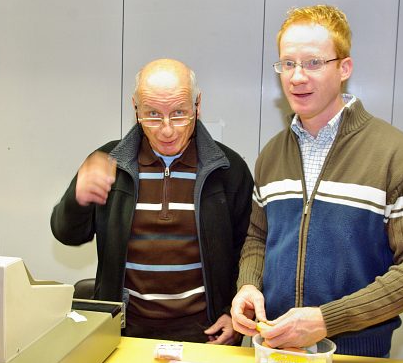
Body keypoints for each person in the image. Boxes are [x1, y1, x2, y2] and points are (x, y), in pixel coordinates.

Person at [230, 5, 403, 357]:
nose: (297, 77)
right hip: (272, 350)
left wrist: (326, 320)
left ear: (344, 68)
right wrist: (248, 286)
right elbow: (258, 237)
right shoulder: (271, 154)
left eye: (313, 63)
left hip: (355, 359)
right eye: (288, 63)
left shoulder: (396, 154)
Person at [51, 58, 253, 345]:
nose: (166, 130)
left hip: (205, 335)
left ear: (198, 105)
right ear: (135, 109)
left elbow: (249, 250)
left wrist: (231, 311)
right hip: (123, 334)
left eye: (179, 113)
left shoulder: (227, 169)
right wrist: (78, 199)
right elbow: (67, 234)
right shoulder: (111, 163)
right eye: (153, 115)